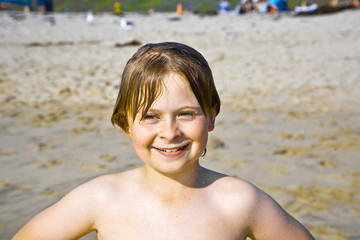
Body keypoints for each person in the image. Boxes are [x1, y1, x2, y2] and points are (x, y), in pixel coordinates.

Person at [13, 42, 316, 240]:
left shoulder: (239, 202)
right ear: (126, 124)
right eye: (150, 116)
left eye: (186, 114)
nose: (170, 133)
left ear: (211, 117)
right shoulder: (102, 198)